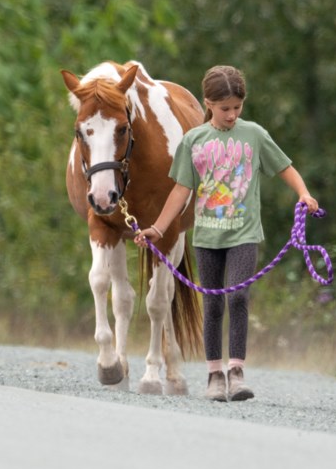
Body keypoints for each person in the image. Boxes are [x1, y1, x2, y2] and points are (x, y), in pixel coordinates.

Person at [135, 65, 319, 402]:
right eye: (225, 109)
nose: (232, 115)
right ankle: (214, 375)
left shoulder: (254, 135)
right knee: (214, 303)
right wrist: (158, 228)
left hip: (244, 234)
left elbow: (284, 167)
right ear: (208, 103)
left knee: (238, 298)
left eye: (237, 107)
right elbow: (180, 191)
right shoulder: (194, 141)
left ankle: (236, 373)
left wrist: (303, 193)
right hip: (207, 236)